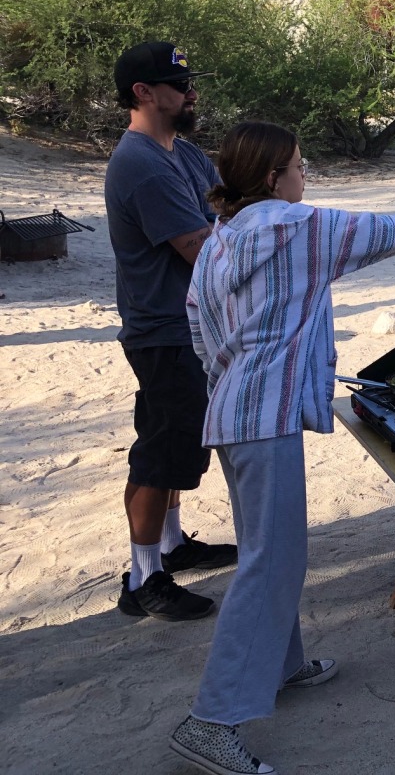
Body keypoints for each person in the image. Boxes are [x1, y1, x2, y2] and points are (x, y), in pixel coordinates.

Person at [174, 120, 395, 774]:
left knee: (270, 552)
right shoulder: (292, 227)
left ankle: (280, 668)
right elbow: (382, 233)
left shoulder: (222, 238)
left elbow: (198, 327)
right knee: (272, 561)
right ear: (271, 177)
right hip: (263, 417)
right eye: (298, 164)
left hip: (234, 411)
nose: (304, 173)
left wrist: (230, 380)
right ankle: (213, 719)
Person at [105, 41, 237, 623]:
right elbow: (201, 247)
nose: (190, 93)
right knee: (160, 450)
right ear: (143, 93)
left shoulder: (180, 152)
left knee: (179, 439)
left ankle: (172, 544)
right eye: (178, 85)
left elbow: (226, 206)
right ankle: (143, 579)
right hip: (162, 330)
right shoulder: (139, 164)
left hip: (186, 324)